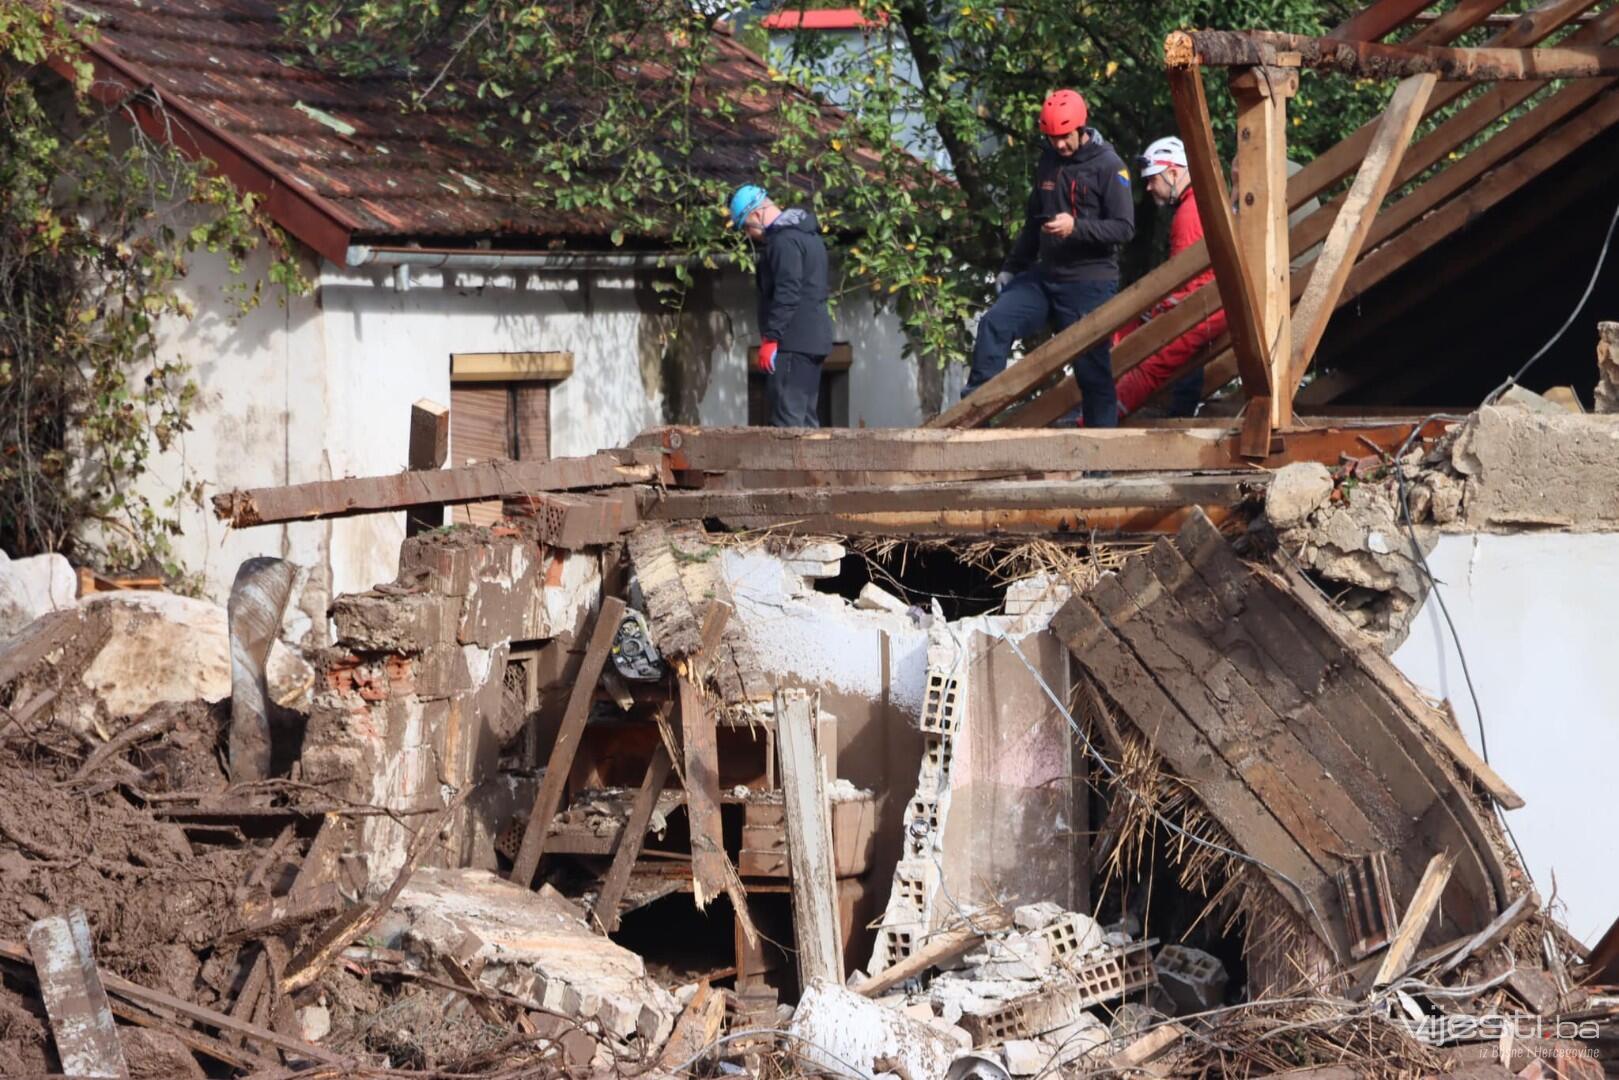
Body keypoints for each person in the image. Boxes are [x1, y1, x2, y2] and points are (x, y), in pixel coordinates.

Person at [966, 89, 1135, 427]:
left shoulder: (1110, 166)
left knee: (1093, 372)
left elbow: (1124, 228)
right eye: (1052, 138)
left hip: (1090, 282)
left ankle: (1100, 465)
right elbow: (1034, 222)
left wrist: (1077, 228)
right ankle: (975, 418)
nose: (1059, 145)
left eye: (1065, 137)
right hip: (1046, 276)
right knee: (994, 323)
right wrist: (1011, 268)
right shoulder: (1048, 162)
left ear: (1081, 129)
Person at [1112, 135, 1228, 419]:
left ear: (1174, 173)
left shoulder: (1190, 214)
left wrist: (1159, 312)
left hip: (1207, 307)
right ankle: (1178, 414)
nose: (1149, 186)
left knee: (1152, 361)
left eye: (1152, 178)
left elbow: (1190, 283)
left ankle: (1095, 419)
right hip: (1210, 303)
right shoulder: (1199, 204)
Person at [728, 184, 834, 427]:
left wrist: (772, 337)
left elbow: (788, 291)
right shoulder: (810, 236)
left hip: (792, 344)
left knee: (788, 425)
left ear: (756, 214)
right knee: (806, 422)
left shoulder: (783, 242)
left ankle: (793, 467)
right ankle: (812, 466)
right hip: (814, 341)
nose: (748, 234)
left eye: (745, 226)